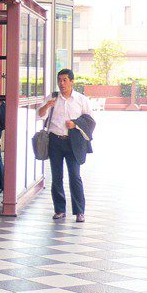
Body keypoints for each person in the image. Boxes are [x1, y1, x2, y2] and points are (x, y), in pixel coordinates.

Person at [38, 69, 94, 223]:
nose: (61, 83)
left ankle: (79, 211)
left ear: (72, 81)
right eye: (59, 80)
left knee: (74, 176)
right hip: (55, 141)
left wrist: (75, 124)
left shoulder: (81, 100)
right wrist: (47, 106)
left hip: (73, 142)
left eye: (64, 80)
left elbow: (90, 121)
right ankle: (60, 209)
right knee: (56, 176)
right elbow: (39, 114)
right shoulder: (53, 98)